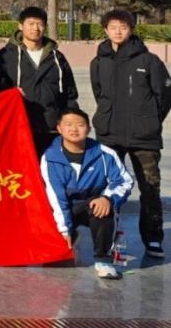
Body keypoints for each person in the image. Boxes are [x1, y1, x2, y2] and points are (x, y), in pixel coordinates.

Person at [90, 8, 171, 259]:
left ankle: (153, 238)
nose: (118, 31)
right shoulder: (99, 62)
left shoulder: (149, 61)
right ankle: (107, 236)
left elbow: (164, 96)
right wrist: (107, 117)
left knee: (149, 187)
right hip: (110, 135)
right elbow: (99, 94)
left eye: (123, 27)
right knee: (106, 187)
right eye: (113, 27)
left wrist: (149, 120)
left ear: (131, 29)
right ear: (105, 30)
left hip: (143, 137)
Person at [41, 108, 133, 279]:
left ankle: (103, 261)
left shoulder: (105, 154)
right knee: (55, 253)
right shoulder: (50, 157)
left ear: (89, 129)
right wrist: (64, 230)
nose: (74, 129)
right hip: (62, 208)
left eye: (80, 125)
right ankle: (72, 233)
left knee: (103, 209)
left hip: (91, 204)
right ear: (59, 128)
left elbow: (125, 181)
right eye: (68, 124)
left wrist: (107, 198)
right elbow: (56, 196)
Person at [0, 6, 79, 155]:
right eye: (31, 24)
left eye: (40, 24)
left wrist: (71, 120)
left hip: (52, 128)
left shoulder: (57, 57)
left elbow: (70, 93)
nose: (36, 28)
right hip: (19, 126)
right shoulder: (5, 56)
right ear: (20, 26)